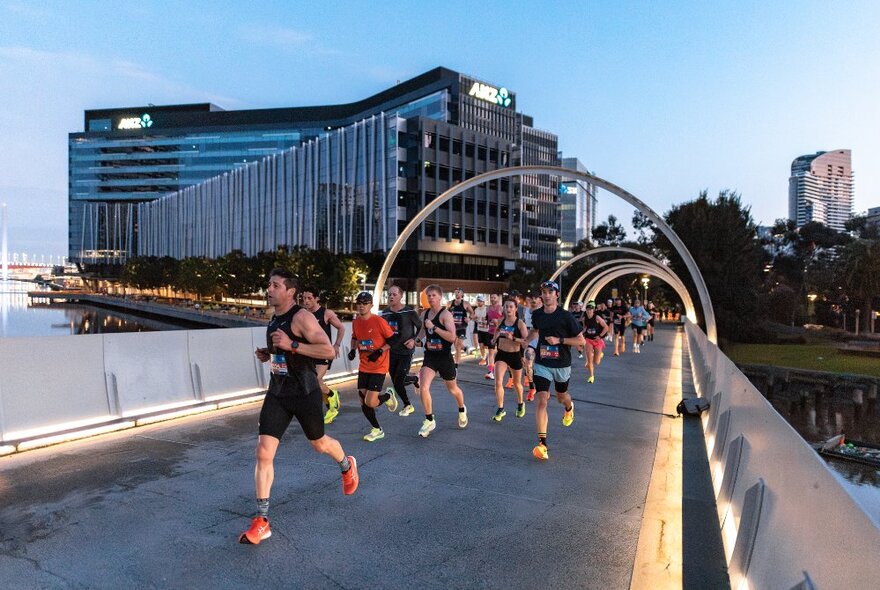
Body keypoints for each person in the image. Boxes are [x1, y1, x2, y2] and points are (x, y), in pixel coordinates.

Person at [240, 268, 357, 545]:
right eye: (268, 284)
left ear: (290, 291)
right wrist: (269, 353)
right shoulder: (274, 318)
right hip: (278, 392)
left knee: (319, 443)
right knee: (263, 452)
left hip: (304, 392)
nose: (268, 289)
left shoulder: (301, 317)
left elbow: (327, 351)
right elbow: (286, 351)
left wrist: (292, 344)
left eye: (275, 285)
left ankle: (346, 464)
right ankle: (262, 520)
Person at [528, 280, 585, 460]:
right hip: (542, 363)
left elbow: (581, 341)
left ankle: (569, 407)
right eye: (544, 292)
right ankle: (542, 444)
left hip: (561, 364)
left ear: (557, 295)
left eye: (550, 292)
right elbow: (534, 331)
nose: (546, 295)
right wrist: (526, 344)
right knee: (542, 399)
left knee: (561, 397)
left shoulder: (566, 317)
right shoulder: (537, 314)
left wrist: (560, 341)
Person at [416, 284, 468, 437]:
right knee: (423, 387)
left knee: (453, 389)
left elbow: (452, 337)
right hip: (430, 356)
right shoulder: (424, 314)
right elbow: (422, 330)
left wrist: (435, 327)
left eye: (433, 295)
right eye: (428, 295)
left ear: (439, 297)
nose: (430, 298)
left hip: (444, 357)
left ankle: (462, 409)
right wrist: (417, 339)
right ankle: (429, 419)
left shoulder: (446, 315)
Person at [348, 291, 399, 441]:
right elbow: (355, 337)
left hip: (379, 365)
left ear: (371, 305)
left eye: (365, 303)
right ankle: (377, 429)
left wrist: (380, 351)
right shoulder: (356, 321)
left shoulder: (379, 321)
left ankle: (388, 395)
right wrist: (352, 349)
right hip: (364, 365)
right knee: (362, 401)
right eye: (359, 303)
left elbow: (394, 340)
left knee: (370, 402)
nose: (361, 306)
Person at [300, 287, 346, 424]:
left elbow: (341, 327)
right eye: (304, 298)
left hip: (324, 352)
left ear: (317, 299)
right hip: (308, 353)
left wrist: (336, 345)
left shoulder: (326, 313)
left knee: (314, 380)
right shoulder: (302, 314)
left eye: (309, 298)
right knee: (315, 383)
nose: (306, 301)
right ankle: (331, 407)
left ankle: (332, 395)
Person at [380, 285, 422, 417]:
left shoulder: (409, 312)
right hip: (390, 352)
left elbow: (422, 329)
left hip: (405, 352)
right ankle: (415, 379)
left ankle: (407, 405)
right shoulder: (385, 313)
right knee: (397, 381)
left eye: (394, 294)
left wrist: (414, 340)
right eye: (389, 294)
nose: (391, 297)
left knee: (398, 381)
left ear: (401, 296)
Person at [491, 298, 529, 421]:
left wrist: (513, 338)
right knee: (498, 382)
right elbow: (497, 330)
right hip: (501, 355)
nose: (508, 309)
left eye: (511, 307)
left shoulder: (520, 324)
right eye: (506, 306)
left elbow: (526, 342)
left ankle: (520, 404)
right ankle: (501, 408)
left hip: (515, 355)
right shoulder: (501, 320)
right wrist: (494, 339)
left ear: (516, 309)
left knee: (517, 384)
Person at [581, 301, 609, 383]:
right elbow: (585, 328)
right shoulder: (584, 318)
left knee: (597, 362)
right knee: (589, 360)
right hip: (588, 340)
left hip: (597, 340)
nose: (589, 311)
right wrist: (580, 334)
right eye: (588, 309)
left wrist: (600, 336)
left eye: (590, 309)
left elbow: (606, 327)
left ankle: (600, 354)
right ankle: (591, 376)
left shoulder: (597, 318)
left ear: (593, 310)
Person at [447, 288, 474, 366]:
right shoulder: (449, 303)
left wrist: (469, 318)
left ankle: (456, 364)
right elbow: (445, 314)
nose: (456, 293)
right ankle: (465, 348)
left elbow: (472, 313)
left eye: (458, 292)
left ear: (462, 294)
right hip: (452, 328)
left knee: (458, 346)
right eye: (455, 292)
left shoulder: (465, 303)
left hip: (462, 328)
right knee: (456, 346)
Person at [473, 295, 490, 367]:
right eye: (478, 301)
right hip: (480, 329)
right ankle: (483, 359)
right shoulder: (476, 310)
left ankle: (489, 359)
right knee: (481, 345)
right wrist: (475, 319)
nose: (479, 302)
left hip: (487, 330)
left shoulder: (487, 309)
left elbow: (490, 318)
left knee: (487, 346)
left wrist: (486, 320)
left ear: (483, 302)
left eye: (480, 301)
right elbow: (475, 319)